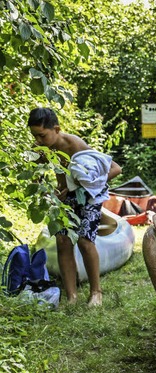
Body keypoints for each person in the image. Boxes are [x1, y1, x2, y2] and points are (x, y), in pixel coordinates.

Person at [28, 108, 122, 306]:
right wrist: (49, 193)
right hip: (63, 199)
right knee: (62, 241)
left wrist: (85, 184)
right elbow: (37, 180)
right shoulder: (41, 150)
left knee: (85, 241)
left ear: (57, 129)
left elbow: (115, 169)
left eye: (42, 135)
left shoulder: (76, 145)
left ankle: (96, 293)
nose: (37, 141)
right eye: (34, 136)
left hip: (89, 198)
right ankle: (72, 296)